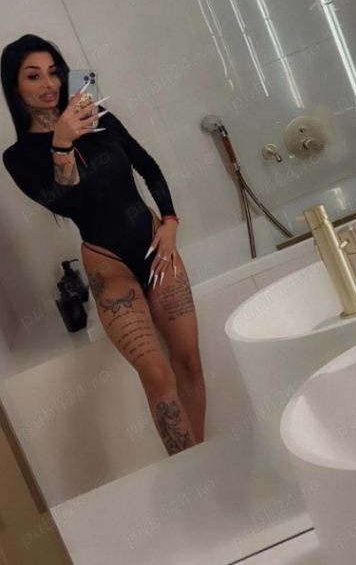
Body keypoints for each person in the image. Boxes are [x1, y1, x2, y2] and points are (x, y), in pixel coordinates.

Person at [1, 34, 206, 456]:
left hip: (157, 247)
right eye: (33, 76)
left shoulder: (99, 116)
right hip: (108, 264)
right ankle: (188, 465)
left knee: (188, 362)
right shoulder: (18, 156)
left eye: (54, 72)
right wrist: (61, 141)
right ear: (15, 87)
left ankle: (203, 459)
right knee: (157, 375)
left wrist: (170, 221)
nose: (49, 83)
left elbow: (147, 166)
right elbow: (66, 201)